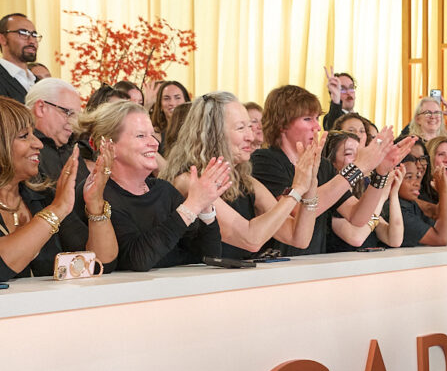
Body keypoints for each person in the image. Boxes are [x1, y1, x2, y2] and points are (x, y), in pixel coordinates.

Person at [0, 96, 117, 281]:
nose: (39, 144)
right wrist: (56, 210)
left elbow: (100, 262)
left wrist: (95, 202)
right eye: (25, 136)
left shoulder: (41, 196)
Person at [167, 91, 327, 261]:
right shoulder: (189, 182)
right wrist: (296, 189)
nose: (251, 137)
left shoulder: (246, 182)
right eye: (241, 128)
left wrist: (310, 183)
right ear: (213, 133)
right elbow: (251, 239)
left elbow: (298, 238)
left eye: (250, 127)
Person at [249, 84, 396, 255]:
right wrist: (357, 168)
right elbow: (296, 210)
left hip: (315, 265)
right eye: (307, 119)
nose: (317, 127)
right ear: (282, 123)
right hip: (276, 268)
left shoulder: (323, 166)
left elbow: (358, 217)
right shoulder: (264, 160)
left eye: (317, 119)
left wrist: (380, 174)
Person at [85, 98, 228, 271]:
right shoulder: (98, 195)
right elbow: (138, 260)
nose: (154, 143)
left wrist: (205, 208)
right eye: (141, 136)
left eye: (152, 134)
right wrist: (192, 205)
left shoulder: (163, 190)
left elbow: (209, 256)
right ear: (109, 146)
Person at [394, 138, 447, 248]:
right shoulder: (395, 205)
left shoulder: (411, 201)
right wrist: (444, 192)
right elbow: (441, 239)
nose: (418, 165)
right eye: (411, 158)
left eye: (422, 159)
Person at [23, 77, 85, 183]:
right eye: (69, 113)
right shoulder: (25, 152)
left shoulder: (71, 151)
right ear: (41, 108)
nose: (74, 123)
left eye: (77, 116)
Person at [0, 13, 40, 102]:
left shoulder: (37, 80)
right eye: (23, 33)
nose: (32, 41)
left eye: (34, 35)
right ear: (2, 39)